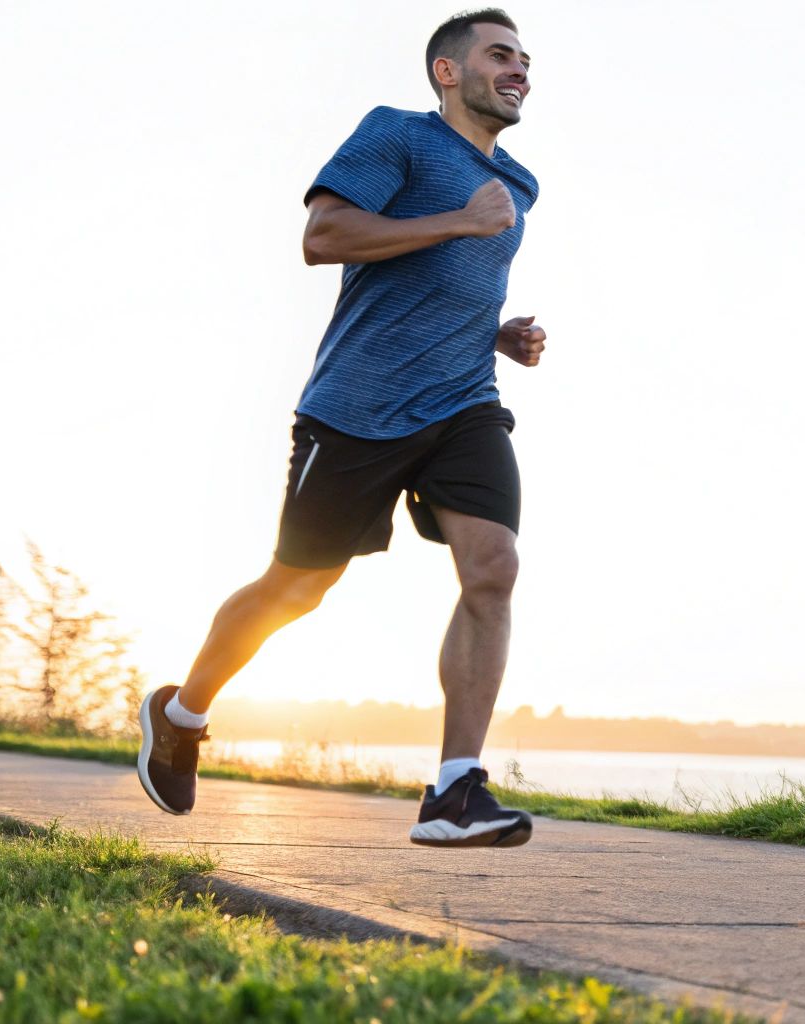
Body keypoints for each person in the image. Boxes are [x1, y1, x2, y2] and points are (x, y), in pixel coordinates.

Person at [136, 8, 545, 848]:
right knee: (298, 587)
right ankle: (181, 713)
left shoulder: (522, 186)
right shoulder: (395, 136)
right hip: (357, 408)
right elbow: (324, 237)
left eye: (525, 61)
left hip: (464, 400)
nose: (519, 71)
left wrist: (496, 332)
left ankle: (455, 790)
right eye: (500, 55)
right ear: (447, 72)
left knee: (493, 566)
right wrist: (461, 220)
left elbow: (447, 284)